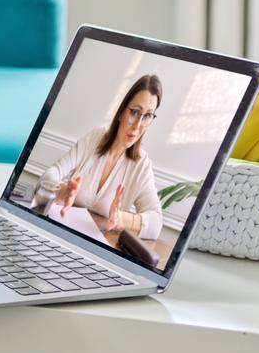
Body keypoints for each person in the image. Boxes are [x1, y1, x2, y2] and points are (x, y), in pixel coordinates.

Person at [31, 74, 164, 240]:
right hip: (57, 233)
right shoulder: (94, 139)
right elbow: (50, 174)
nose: (138, 125)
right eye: (135, 112)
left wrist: (121, 218)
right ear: (122, 112)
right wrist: (62, 191)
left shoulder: (141, 165)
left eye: (148, 116)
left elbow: (156, 225)